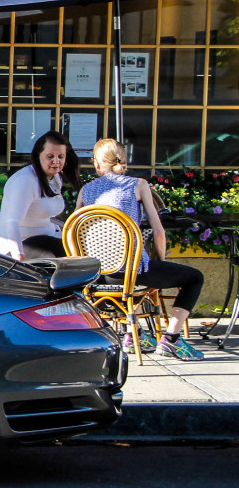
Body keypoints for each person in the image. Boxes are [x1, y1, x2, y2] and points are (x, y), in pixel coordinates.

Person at [76, 138, 205, 360]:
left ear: (97, 164)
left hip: (98, 275)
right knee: (194, 278)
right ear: (123, 161)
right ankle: (172, 339)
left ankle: (133, 333)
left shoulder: (86, 191)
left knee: (136, 274)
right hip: (132, 272)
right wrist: (160, 263)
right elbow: (158, 231)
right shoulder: (138, 185)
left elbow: (75, 229)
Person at [0, 131, 80, 260]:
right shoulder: (25, 180)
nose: (56, 161)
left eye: (61, 156)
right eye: (50, 156)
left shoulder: (55, 177)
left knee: (80, 245)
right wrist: (19, 257)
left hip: (45, 238)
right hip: (19, 247)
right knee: (74, 255)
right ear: (37, 155)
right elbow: (12, 222)